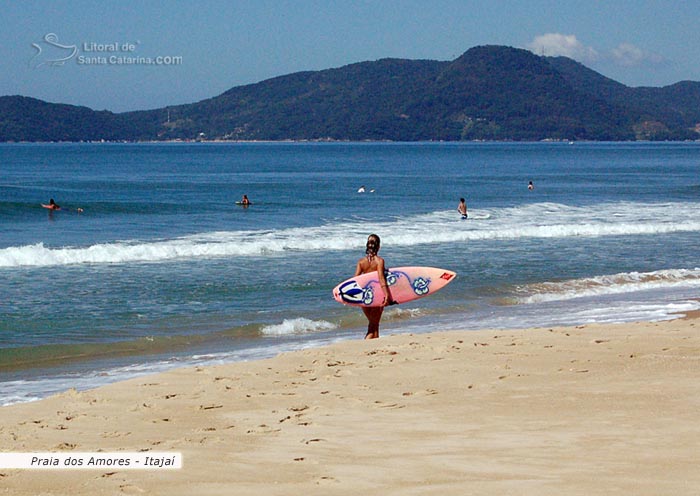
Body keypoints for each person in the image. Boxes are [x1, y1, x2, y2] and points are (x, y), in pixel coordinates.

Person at [354, 234, 393, 339]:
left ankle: (374, 344)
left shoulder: (361, 262)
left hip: (364, 298)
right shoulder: (379, 261)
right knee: (373, 325)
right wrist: (387, 295)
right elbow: (381, 278)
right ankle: (366, 343)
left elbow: (355, 280)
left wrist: (355, 298)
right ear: (378, 247)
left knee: (374, 324)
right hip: (376, 296)